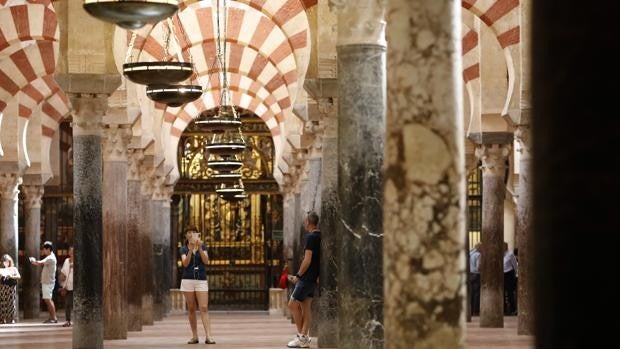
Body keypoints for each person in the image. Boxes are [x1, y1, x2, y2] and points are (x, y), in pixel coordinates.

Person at [287, 212, 321, 348]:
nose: (304, 223)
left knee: (292, 304)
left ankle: (301, 337)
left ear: (308, 222)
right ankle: (304, 337)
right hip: (313, 277)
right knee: (306, 307)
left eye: (305, 221)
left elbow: (307, 259)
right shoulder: (319, 236)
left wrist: (298, 276)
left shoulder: (311, 237)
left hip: (306, 278)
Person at [179, 226, 215, 344]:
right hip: (188, 280)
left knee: (204, 307)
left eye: (194, 232)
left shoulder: (203, 247)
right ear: (186, 235)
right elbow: (185, 263)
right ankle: (194, 336)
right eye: (189, 232)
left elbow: (206, 261)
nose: (192, 234)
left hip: (201, 280)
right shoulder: (183, 249)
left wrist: (199, 248)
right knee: (191, 308)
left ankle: (208, 336)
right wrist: (190, 249)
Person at [31, 241, 58, 323]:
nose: (43, 251)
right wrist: (35, 262)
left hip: (48, 282)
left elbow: (40, 262)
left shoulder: (51, 258)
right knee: (47, 300)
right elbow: (39, 263)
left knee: (48, 300)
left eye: (44, 249)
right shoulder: (50, 257)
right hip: (47, 281)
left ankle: (54, 318)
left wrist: (33, 260)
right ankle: (51, 317)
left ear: (49, 249)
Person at [0, 254, 20, 324]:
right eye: (4, 262)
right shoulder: (1, 269)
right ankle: (3, 319)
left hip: (11, 288)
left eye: (7, 261)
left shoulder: (14, 268)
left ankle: (11, 319)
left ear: (10, 261)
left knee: (11, 303)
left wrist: (11, 276)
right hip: (3, 288)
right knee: (2, 303)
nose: (6, 263)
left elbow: (18, 276)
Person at [59, 246, 74, 327]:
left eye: (73, 251)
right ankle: (67, 320)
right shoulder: (66, 261)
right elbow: (63, 272)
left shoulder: (78, 261)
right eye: (70, 251)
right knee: (67, 304)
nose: (71, 253)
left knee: (76, 305)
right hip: (67, 286)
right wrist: (61, 278)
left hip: (75, 287)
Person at [503, 242, 518, 315]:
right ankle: (504, 310)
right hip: (502, 275)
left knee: (510, 292)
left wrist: (516, 273)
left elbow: (514, 264)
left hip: (509, 274)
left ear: (506, 247)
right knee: (502, 292)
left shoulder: (510, 254)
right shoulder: (499, 254)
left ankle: (513, 310)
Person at [469, 243, 481, 316]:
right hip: (476, 275)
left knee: (471, 293)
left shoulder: (470, 253)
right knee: (477, 294)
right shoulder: (479, 254)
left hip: (470, 274)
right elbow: (478, 267)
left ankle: (470, 310)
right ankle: (476, 311)